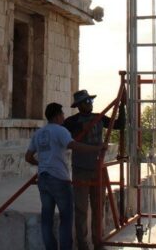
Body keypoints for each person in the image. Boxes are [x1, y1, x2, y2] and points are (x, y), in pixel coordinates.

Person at [26, 102, 104, 250]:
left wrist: (42, 164)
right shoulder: (60, 131)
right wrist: (97, 148)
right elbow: (75, 146)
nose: (63, 116)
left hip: (43, 178)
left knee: (47, 219)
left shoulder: (39, 133)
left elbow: (28, 157)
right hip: (59, 179)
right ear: (56, 116)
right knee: (66, 218)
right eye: (62, 114)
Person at [64, 90, 125, 250]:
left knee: (98, 207)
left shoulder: (99, 118)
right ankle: (82, 245)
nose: (89, 104)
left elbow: (119, 124)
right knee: (81, 209)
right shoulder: (72, 121)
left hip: (97, 168)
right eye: (86, 102)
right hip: (80, 169)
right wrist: (81, 127)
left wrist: (122, 107)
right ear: (79, 106)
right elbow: (66, 133)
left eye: (90, 101)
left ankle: (98, 242)